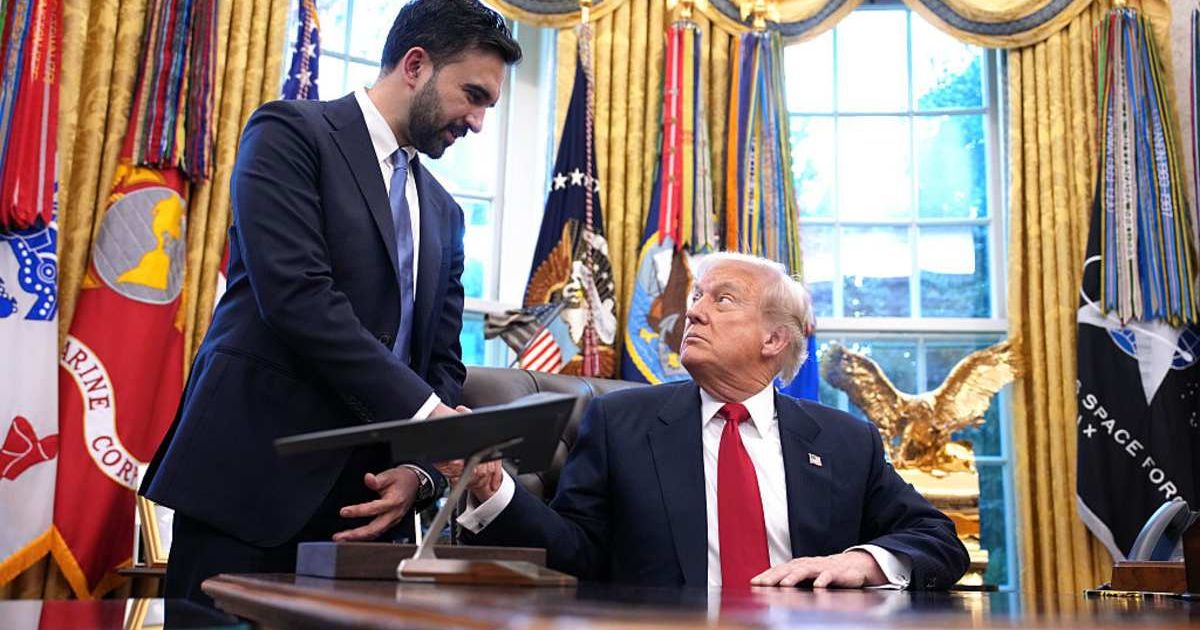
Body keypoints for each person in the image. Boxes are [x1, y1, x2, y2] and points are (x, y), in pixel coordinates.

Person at [140, 0, 521, 605]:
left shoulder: (446, 213)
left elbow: (441, 362)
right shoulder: (290, 135)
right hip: (251, 485)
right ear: (416, 65)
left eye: (487, 106)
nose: (477, 121)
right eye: (472, 95)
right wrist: (430, 422)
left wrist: (421, 473)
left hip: (367, 512)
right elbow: (297, 298)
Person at [454, 252, 969, 589]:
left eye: (722, 300)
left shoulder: (842, 439)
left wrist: (860, 563)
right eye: (697, 296)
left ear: (774, 340)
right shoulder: (620, 423)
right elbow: (576, 552)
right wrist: (492, 488)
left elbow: (938, 538)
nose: (694, 312)